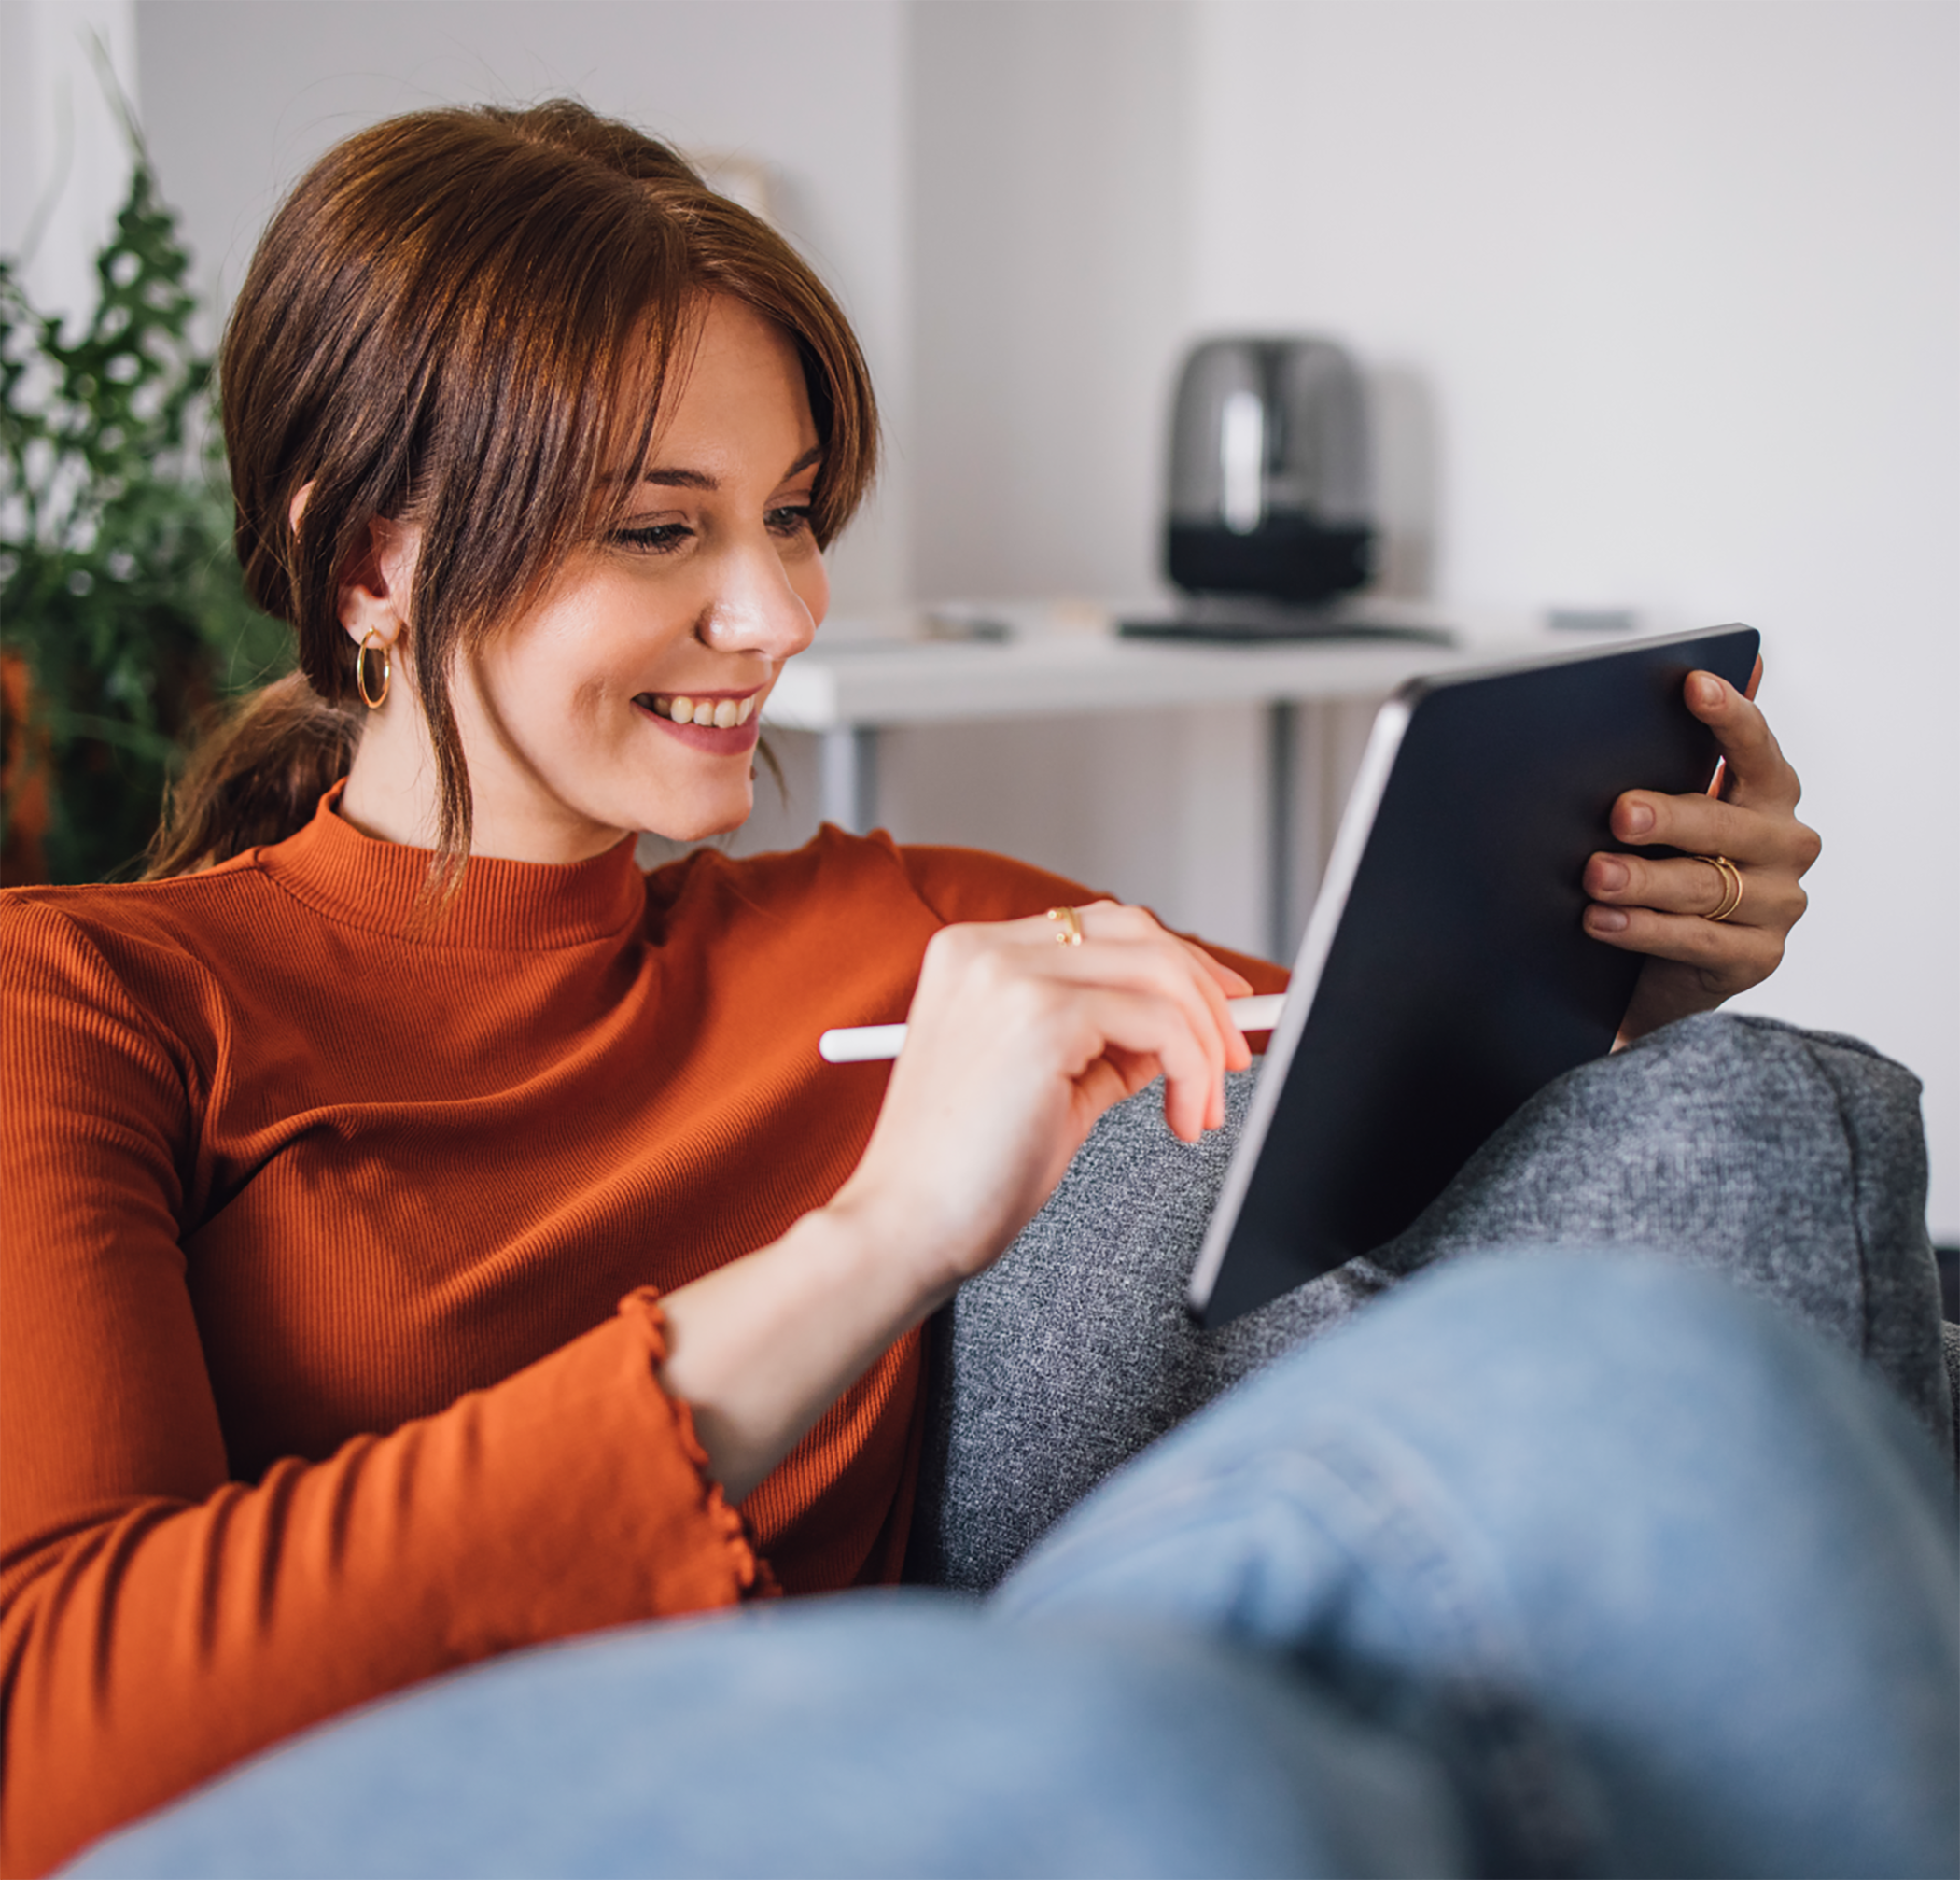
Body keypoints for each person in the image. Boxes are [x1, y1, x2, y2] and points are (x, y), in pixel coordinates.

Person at [0, 100, 1837, 1879]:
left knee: (1670, 1341)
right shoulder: (86, 1004)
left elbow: (1380, 1053)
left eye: (791, 515)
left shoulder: (910, 937)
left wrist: (1632, 965)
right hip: (383, 1815)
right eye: (662, 530)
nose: (780, 610)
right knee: (1121, 1745)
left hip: (887, 1771)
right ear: (369, 561)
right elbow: (52, 1753)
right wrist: (879, 1234)